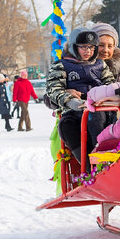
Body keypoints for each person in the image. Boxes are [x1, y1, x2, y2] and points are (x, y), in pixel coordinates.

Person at [45, 29, 116, 158]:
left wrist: (106, 98)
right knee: (67, 127)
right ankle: (87, 165)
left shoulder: (100, 65)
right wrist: (70, 100)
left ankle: (102, 153)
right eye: (83, 47)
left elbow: (111, 85)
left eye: (91, 47)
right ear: (73, 47)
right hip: (75, 111)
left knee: (100, 116)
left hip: (100, 107)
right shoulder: (62, 65)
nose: (88, 51)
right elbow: (54, 89)